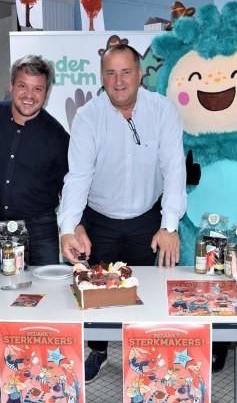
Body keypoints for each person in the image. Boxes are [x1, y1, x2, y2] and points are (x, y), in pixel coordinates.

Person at [58, 44, 187, 382]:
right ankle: (98, 351)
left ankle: (143, 355)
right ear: (102, 77)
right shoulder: (88, 116)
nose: (118, 80)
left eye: (126, 72)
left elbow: (175, 170)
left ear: (140, 74)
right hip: (100, 220)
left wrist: (169, 226)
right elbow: (78, 176)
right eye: (111, 73)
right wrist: (69, 227)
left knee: (147, 294)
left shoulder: (162, 110)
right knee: (98, 293)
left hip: (148, 219)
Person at [0, 54, 69, 265]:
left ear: (47, 93)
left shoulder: (58, 136)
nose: (29, 95)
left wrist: (75, 228)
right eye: (23, 86)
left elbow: (70, 189)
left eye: (37, 88)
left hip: (39, 231)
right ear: (11, 85)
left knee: (44, 285)